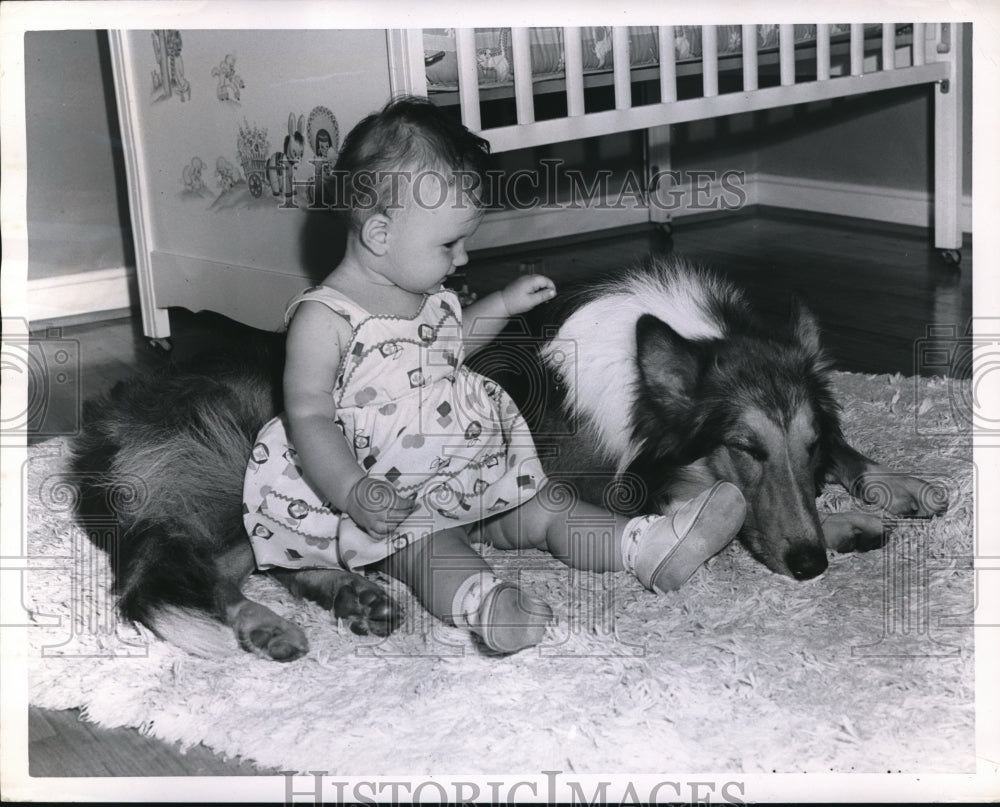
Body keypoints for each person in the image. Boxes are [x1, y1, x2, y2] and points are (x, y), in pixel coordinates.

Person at [243, 97, 746, 655]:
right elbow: (308, 414)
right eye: (449, 244)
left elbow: (451, 344)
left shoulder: (424, 297)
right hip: (385, 503)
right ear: (381, 235)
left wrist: (503, 303)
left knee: (547, 508)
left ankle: (648, 545)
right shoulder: (324, 318)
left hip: (462, 478)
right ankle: (488, 606)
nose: (461, 259)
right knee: (433, 552)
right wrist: (354, 490)